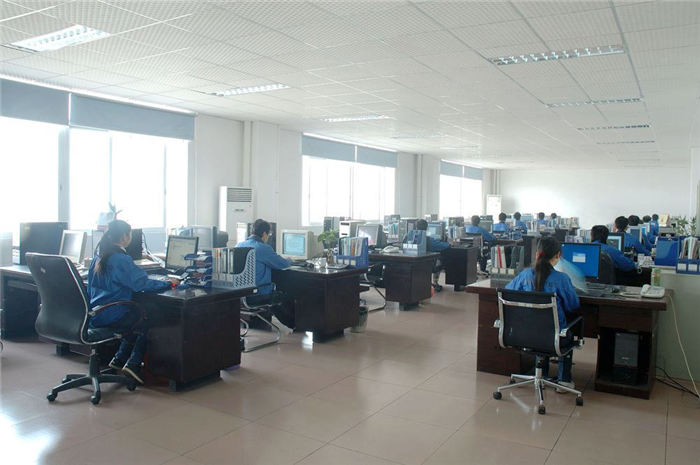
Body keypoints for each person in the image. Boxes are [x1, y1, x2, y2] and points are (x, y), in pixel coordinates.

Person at [88, 220, 175, 384]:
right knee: (149, 315)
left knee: (138, 312)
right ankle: (134, 363)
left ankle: (119, 359)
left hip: (98, 312)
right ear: (124, 236)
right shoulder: (120, 259)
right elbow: (141, 283)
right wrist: (168, 283)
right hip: (114, 313)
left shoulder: (99, 257)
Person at [505, 236, 580, 391]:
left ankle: (542, 375)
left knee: (539, 329)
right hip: (554, 337)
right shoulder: (562, 279)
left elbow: (507, 294)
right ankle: (564, 381)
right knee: (565, 331)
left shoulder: (525, 275)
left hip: (524, 334)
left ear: (537, 253)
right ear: (557, 255)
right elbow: (573, 306)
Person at [235, 219, 295, 331]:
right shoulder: (262, 248)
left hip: (241, 295)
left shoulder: (239, 245)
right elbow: (282, 264)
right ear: (264, 234)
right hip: (258, 295)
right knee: (288, 295)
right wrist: (289, 260)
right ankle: (295, 325)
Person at [414, 219, 450, 291]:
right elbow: (444, 246)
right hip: (428, 264)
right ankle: (435, 283)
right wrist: (449, 243)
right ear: (427, 228)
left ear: (416, 227)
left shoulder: (411, 237)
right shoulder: (429, 240)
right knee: (442, 260)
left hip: (415, 263)